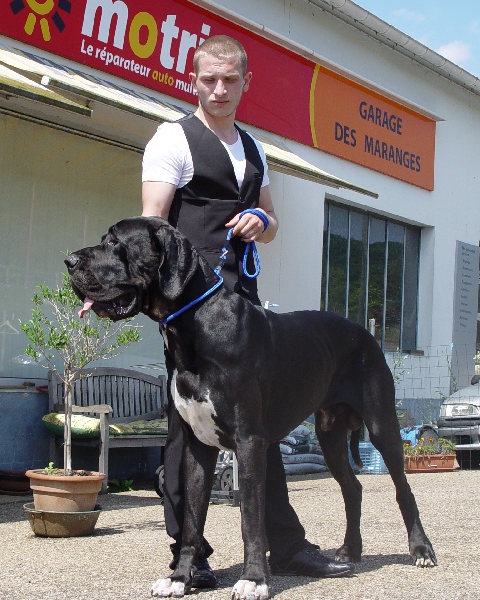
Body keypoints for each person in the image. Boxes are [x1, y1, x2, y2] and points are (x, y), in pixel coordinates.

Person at [141, 35, 355, 587]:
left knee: (259, 426)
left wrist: (264, 222)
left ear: (245, 82)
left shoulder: (254, 148)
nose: (219, 89)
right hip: (190, 311)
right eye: (209, 79)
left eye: (230, 80)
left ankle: (283, 545)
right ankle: (190, 554)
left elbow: (272, 220)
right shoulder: (172, 139)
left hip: (243, 307)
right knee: (188, 428)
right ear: (193, 79)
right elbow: (153, 226)